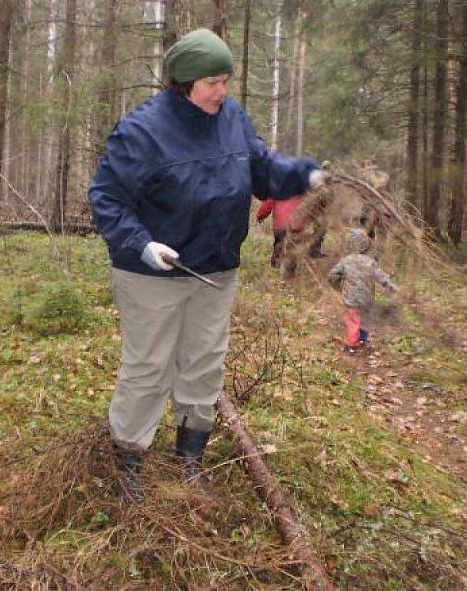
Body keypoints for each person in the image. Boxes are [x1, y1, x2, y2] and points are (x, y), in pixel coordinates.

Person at [88, 28, 325, 502]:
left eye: (225, 80)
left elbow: (263, 168)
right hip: (152, 272)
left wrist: (305, 173)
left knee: (203, 364)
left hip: (215, 268)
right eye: (212, 82)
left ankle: (189, 456)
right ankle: (129, 459)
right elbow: (107, 198)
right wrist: (142, 244)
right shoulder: (143, 131)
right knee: (149, 366)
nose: (222, 90)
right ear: (184, 81)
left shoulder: (231, 118)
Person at [328, 229, 397, 355]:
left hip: (351, 299)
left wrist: (338, 286)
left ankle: (351, 345)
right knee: (365, 320)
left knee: (353, 321)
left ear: (348, 244)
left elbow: (332, 276)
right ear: (366, 245)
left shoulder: (345, 261)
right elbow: (381, 276)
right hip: (367, 299)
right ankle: (363, 340)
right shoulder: (370, 262)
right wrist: (391, 286)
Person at [255, 194, 305, 279]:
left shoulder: (278, 185)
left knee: (278, 248)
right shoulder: (303, 186)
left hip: (280, 224)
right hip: (297, 225)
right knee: (292, 251)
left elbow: (268, 203)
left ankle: (275, 272)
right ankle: (288, 277)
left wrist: (260, 216)